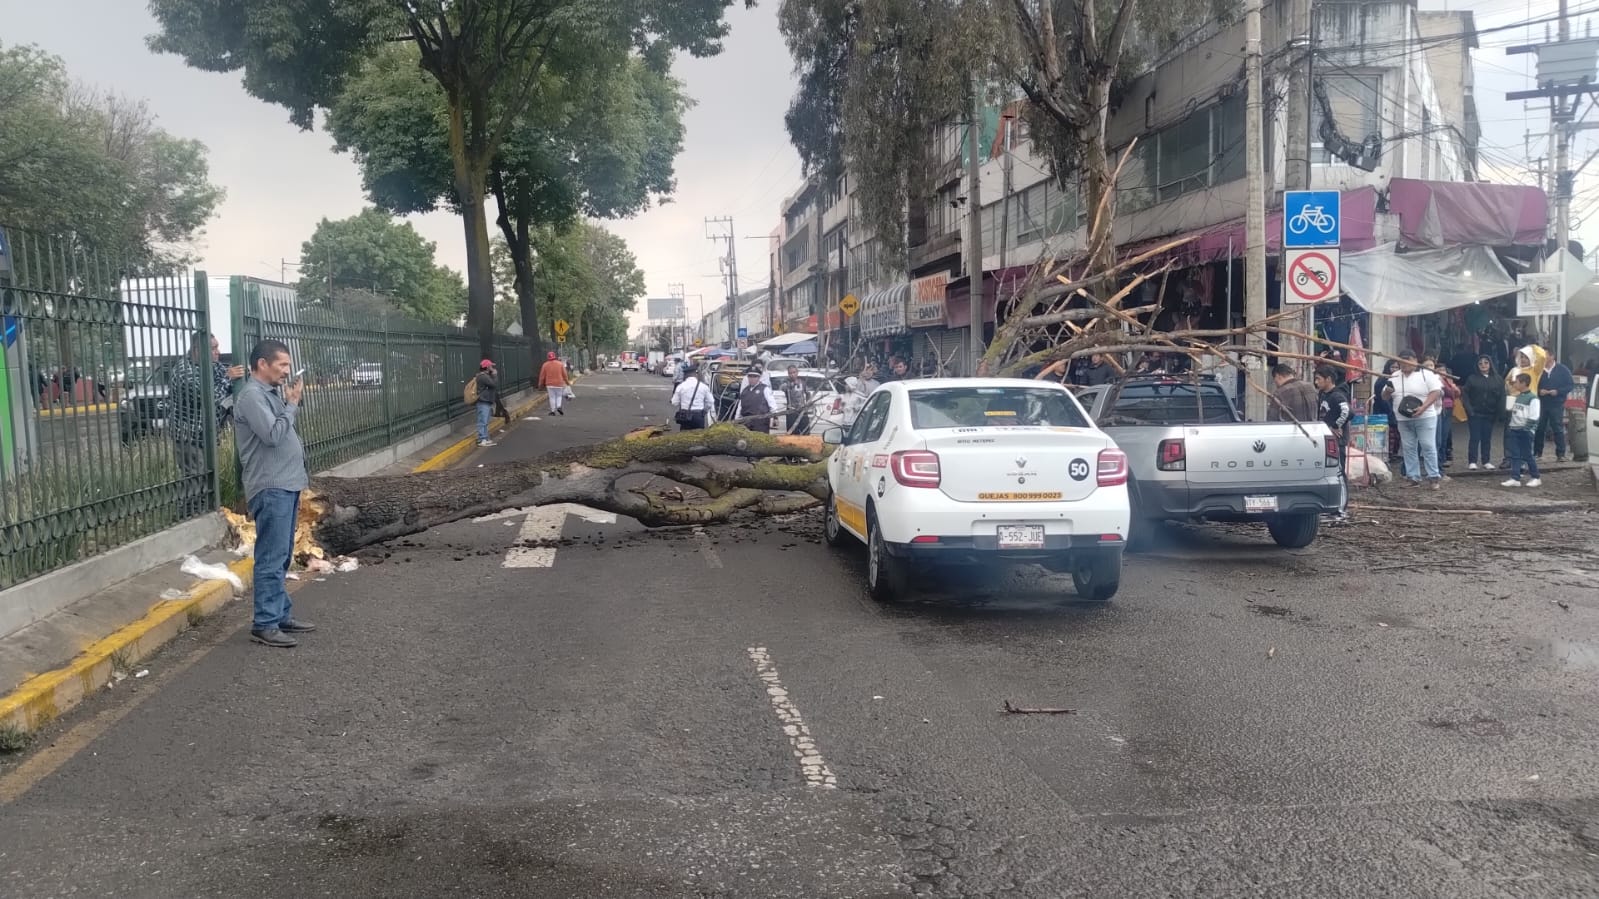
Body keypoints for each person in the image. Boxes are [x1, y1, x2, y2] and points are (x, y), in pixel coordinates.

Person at [235, 339, 313, 648]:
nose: (287, 371)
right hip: (271, 487)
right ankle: (265, 623)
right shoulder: (252, 396)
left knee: (281, 555)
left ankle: (280, 614)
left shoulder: (268, 395)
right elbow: (272, 435)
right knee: (271, 556)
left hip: (287, 484)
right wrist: (292, 404)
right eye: (282, 365)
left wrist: (289, 401)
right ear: (262, 364)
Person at [169, 331, 244, 517]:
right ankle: (188, 518)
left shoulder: (212, 366)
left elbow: (224, 374)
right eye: (213, 348)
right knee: (196, 480)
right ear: (197, 350)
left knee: (207, 480)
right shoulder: (183, 371)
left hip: (207, 435)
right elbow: (208, 397)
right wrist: (228, 378)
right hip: (190, 436)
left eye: (217, 347)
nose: (218, 352)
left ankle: (204, 514)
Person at [1383, 349, 1444, 489]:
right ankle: (1413, 477)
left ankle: (1433, 477)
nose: (1404, 364)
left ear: (1415, 361)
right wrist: (1387, 391)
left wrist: (1423, 407)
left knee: (1428, 446)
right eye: (1401, 361)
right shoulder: (1394, 376)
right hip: (1403, 417)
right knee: (1409, 448)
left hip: (1426, 416)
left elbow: (1436, 392)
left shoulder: (1427, 374)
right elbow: (1385, 396)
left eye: (1408, 360)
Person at [1314, 365, 1351, 517]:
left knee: (1339, 472)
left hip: (1337, 441)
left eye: (1318, 379)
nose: (1316, 382)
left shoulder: (1337, 395)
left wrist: (1336, 426)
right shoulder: (1323, 394)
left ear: (1328, 379)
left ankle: (1341, 509)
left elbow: (1347, 411)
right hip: (1327, 439)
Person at [1461, 355, 1504, 471]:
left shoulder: (1498, 379)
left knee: (1487, 438)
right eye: (1480, 363)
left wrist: (1500, 413)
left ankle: (1486, 461)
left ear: (1490, 364)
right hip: (1475, 413)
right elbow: (1465, 394)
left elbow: (1501, 397)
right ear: (1477, 365)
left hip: (1490, 414)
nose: (1483, 365)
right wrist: (1469, 410)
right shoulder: (1472, 378)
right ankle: (1472, 461)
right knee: (1475, 437)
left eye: (1486, 363)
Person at [1503, 372, 1542, 488]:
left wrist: (1527, 429)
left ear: (1524, 383)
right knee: (1515, 454)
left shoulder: (1533, 398)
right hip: (1515, 429)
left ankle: (1536, 476)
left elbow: (1534, 416)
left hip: (1525, 430)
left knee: (1527, 455)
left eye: (1517, 382)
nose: (1515, 384)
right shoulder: (1518, 397)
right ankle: (1515, 477)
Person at [1535, 351, 1574, 461]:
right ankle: (1537, 453)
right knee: (1539, 428)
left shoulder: (1562, 369)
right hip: (1541, 403)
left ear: (1552, 356)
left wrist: (1558, 391)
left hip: (1556, 403)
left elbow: (1570, 385)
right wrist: (1539, 391)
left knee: (1557, 428)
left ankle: (1561, 454)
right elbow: (1532, 384)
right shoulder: (1538, 370)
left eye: (1545, 356)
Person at [734, 367, 778, 433]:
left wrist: (775, 417)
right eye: (750, 376)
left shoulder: (765, 389)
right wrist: (736, 420)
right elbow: (740, 407)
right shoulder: (745, 391)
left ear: (759, 377)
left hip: (760, 423)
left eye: (754, 376)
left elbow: (773, 405)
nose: (752, 379)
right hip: (746, 423)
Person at [1435, 364, 1460, 465]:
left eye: (1443, 370)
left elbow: (1455, 395)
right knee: (1439, 435)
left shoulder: (1449, 381)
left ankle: (1443, 457)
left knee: (1445, 434)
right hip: (1437, 408)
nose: (1442, 372)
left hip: (1448, 408)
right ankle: (1439, 458)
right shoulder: (1435, 380)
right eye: (1439, 369)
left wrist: (1455, 389)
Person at [472, 359, 498, 447]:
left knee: (485, 421)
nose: (492, 368)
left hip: (486, 401)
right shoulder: (483, 376)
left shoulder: (485, 376)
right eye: (491, 366)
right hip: (483, 401)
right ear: (487, 367)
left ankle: (485, 438)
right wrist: (494, 375)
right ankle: (481, 439)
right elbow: (493, 384)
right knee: (482, 421)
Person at [779, 366, 812, 435]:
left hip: (802, 410)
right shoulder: (786, 383)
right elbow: (782, 388)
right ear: (788, 374)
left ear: (797, 372)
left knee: (805, 431)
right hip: (791, 410)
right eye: (790, 373)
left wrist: (807, 404)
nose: (792, 374)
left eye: (794, 372)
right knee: (792, 432)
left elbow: (808, 393)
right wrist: (792, 384)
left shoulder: (802, 382)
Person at [538, 350, 569, 417]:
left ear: (548, 357)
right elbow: (565, 374)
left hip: (549, 384)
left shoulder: (545, 365)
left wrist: (540, 384)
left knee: (552, 397)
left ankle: (552, 411)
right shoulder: (560, 364)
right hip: (559, 383)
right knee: (559, 396)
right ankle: (558, 406)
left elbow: (542, 376)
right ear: (555, 357)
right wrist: (567, 382)